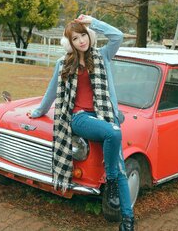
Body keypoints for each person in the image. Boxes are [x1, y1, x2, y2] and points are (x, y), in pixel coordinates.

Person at [28, 14, 134, 231]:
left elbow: (118, 36)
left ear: (89, 35)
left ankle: (128, 219)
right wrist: (39, 111)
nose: (81, 41)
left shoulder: (102, 56)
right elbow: (51, 93)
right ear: (70, 43)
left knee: (121, 169)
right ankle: (110, 180)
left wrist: (93, 22)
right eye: (75, 39)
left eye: (83, 35)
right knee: (114, 133)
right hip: (79, 118)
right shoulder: (64, 64)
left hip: (105, 116)